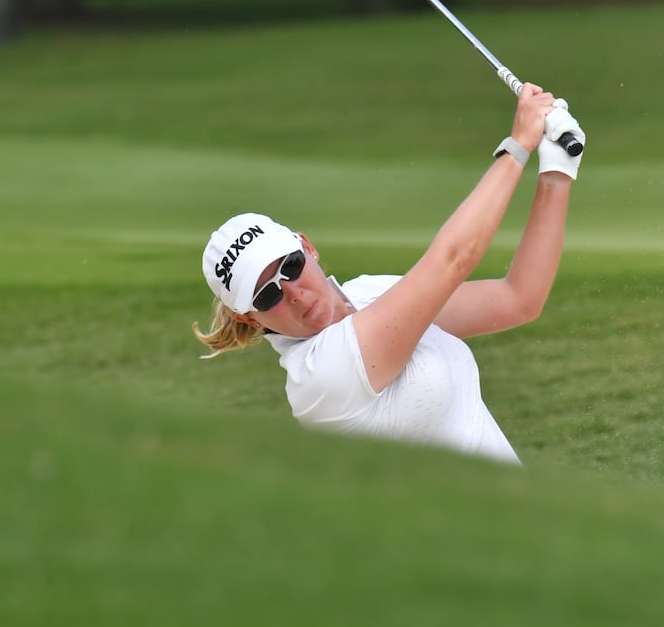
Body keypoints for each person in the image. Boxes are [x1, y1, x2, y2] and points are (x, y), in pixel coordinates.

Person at [192, 85, 582, 465]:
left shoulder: (370, 293)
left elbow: (518, 299)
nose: (292, 293)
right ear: (249, 318)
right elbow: (451, 260)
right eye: (267, 296)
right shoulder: (320, 379)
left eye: (290, 266)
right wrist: (517, 147)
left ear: (307, 247)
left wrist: (556, 171)